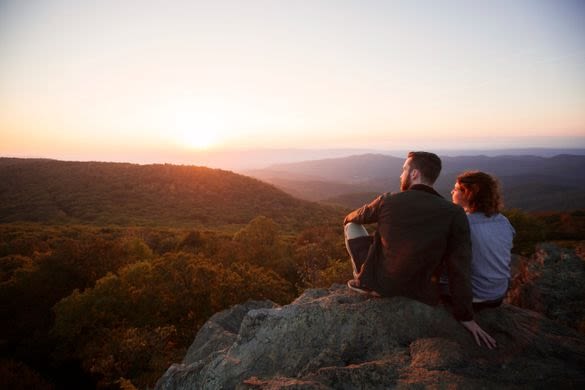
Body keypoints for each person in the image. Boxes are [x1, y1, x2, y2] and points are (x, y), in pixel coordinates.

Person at [344, 151, 496, 349]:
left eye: (404, 170)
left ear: (414, 174)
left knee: (351, 227)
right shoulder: (454, 213)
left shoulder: (388, 200)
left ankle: (362, 278)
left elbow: (350, 219)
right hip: (421, 291)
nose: (401, 175)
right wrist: (465, 316)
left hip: (382, 286)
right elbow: (459, 267)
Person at [449, 171, 515, 310]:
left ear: (468, 193)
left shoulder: (462, 223)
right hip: (498, 294)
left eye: (455, 189)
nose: (451, 192)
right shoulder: (503, 220)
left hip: (475, 297)